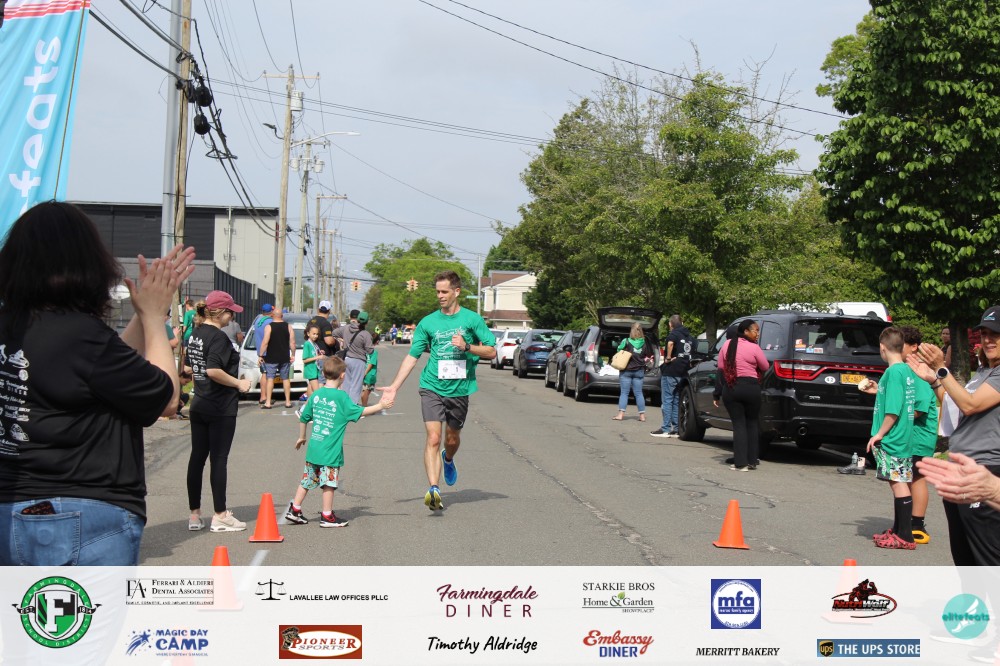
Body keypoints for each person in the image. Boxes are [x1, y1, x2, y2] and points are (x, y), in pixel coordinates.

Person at [0, 201, 191, 565]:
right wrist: (154, 319)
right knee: (82, 607)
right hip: (81, 511)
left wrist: (145, 311)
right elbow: (165, 400)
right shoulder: (80, 335)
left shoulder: (18, 328)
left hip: (9, 509)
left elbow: (109, 371)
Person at [379, 270, 497, 511]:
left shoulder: (472, 319)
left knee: (451, 439)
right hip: (431, 386)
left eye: (444, 291)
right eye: (437, 292)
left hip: (459, 389)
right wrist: (394, 387)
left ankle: (448, 458)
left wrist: (467, 346)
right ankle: (433, 489)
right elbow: (412, 357)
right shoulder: (428, 322)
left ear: (456, 292)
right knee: (433, 437)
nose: (440, 296)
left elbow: (492, 351)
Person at [912, 305, 1000, 565]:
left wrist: (942, 369)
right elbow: (957, 406)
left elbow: (971, 405)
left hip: (985, 470)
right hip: (961, 470)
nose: (988, 340)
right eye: (984, 334)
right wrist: (934, 380)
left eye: (995, 334)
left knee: (987, 560)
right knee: (964, 560)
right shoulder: (984, 372)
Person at [284, 356, 393, 528]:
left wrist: (302, 436)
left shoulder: (317, 394)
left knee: (307, 480)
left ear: (323, 373)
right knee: (329, 483)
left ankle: (295, 509)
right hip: (331, 451)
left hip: (314, 448)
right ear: (342, 375)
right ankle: (327, 515)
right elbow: (360, 411)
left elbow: (303, 417)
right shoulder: (341, 397)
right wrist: (380, 406)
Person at [186, 291, 252, 533]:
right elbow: (213, 370)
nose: (232, 316)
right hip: (220, 406)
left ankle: (195, 515)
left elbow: (189, 367)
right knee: (218, 459)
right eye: (230, 312)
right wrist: (239, 383)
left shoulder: (196, 333)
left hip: (199, 403)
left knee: (197, 458)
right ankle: (221, 515)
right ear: (221, 313)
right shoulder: (218, 338)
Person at [865, 326, 917, 550]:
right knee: (898, 481)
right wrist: (879, 390)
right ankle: (898, 530)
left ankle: (905, 535)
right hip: (903, 435)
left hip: (893, 437)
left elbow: (893, 410)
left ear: (882, 347)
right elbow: (898, 397)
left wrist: (879, 434)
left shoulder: (893, 372)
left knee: (898, 483)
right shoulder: (905, 371)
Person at [713, 319, 769, 471]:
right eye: (755, 330)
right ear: (746, 331)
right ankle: (752, 460)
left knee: (739, 424)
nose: (758, 334)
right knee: (752, 423)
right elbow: (765, 366)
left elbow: (721, 367)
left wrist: (717, 393)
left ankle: (741, 462)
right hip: (752, 388)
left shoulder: (727, 345)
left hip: (733, 387)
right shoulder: (754, 347)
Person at [900, 325, 938, 544]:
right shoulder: (904, 371)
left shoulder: (919, 372)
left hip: (920, 437)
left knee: (916, 478)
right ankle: (906, 522)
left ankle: (917, 524)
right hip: (908, 436)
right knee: (907, 477)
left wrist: (895, 418)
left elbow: (919, 408)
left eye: (901, 345)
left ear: (914, 347)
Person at [651, 314, 693, 437]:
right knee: (676, 400)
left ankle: (665, 429)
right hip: (683, 371)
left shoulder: (673, 334)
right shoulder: (690, 337)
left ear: (670, 324)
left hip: (671, 370)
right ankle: (676, 429)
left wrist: (668, 358)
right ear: (682, 323)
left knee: (667, 400)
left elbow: (670, 343)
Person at [613, 322, 652, 422]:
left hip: (626, 370)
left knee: (624, 393)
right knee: (639, 393)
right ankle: (642, 416)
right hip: (639, 370)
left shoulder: (626, 341)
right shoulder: (644, 342)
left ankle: (620, 415)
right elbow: (648, 354)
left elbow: (618, 349)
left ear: (631, 330)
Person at [335, 310, 375, 404]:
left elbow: (334, 333)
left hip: (347, 359)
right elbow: (370, 351)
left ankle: (344, 405)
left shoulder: (346, 328)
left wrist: (342, 340)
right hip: (359, 361)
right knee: (356, 386)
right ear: (367, 322)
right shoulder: (365, 334)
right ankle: (352, 407)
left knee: (346, 384)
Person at [259, 307, 295, 409]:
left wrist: (261, 355)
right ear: (282, 316)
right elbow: (292, 342)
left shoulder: (269, 327)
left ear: (272, 315)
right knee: (286, 379)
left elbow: (265, 342)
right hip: (284, 357)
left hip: (271, 357)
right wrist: (293, 354)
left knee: (270, 378)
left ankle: (268, 402)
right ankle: (288, 402)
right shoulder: (288, 326)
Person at [302, 324, 321, 397]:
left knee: (310, 391)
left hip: (315, 370)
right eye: (314, 334)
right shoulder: (307, 344)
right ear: (308, 334)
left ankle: (308, 403)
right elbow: (305, 360)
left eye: (317, 334)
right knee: (317, 392)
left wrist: (320, 353)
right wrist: (317, 357)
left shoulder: (314, 344)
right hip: (310, 370)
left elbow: (314, 354)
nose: (315, 336)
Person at [361, 339, 379, 408]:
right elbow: (371, 363)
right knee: (366, 392)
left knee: (364, 391)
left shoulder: (364, 351)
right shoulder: (374, 352)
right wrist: (365, 373)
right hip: (370, 374)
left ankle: (364, 406)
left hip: (364, 372)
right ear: (376, 341)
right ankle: (364, 407)